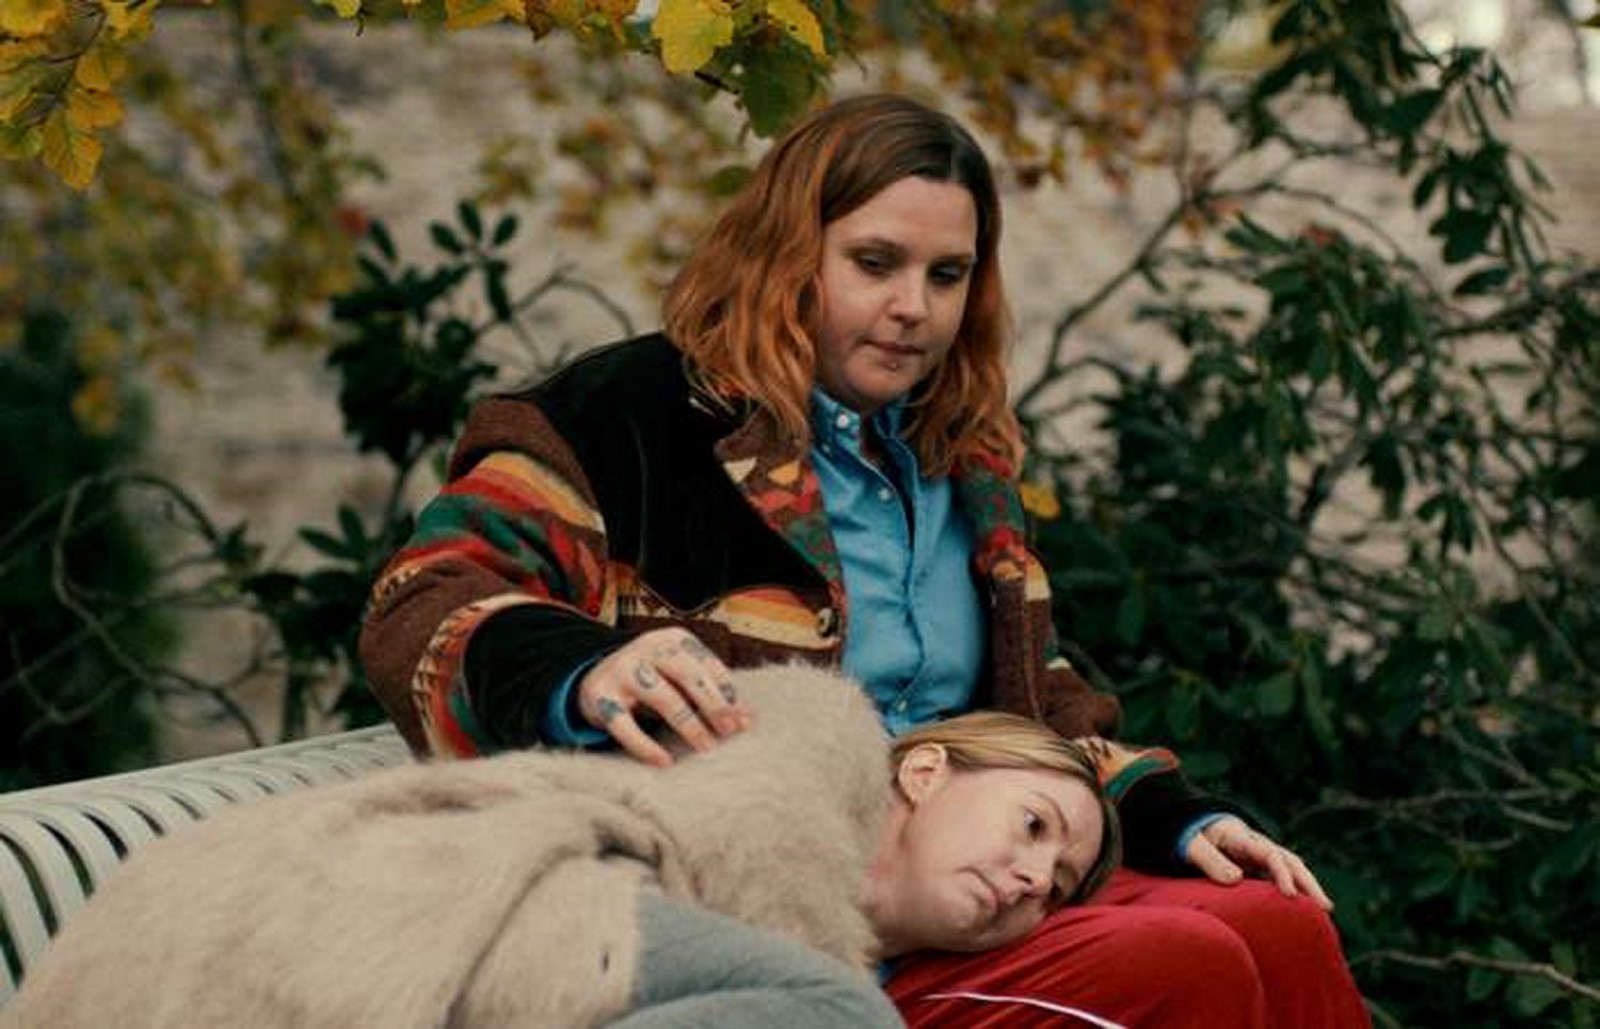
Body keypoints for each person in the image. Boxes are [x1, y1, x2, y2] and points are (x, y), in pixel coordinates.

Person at [359, 92, 1369, 1027]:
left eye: (946, 275)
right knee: (1181, 965)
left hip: (977, 883)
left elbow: (1030, 702)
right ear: (786, 254)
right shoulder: (619, 419)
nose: (913, 308)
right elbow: (423, 600)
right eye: (875, 263)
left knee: (1278, 919)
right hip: (792, 915)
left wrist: (1160, 811)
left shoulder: (960, 454)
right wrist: (584, 672)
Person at [2, 665, 1118, 1029]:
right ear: (929, 771)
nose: (1031, 877)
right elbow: (751, 820)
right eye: (1034, 824)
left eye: (1054, 887)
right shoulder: (831, 728)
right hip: (478, 883)